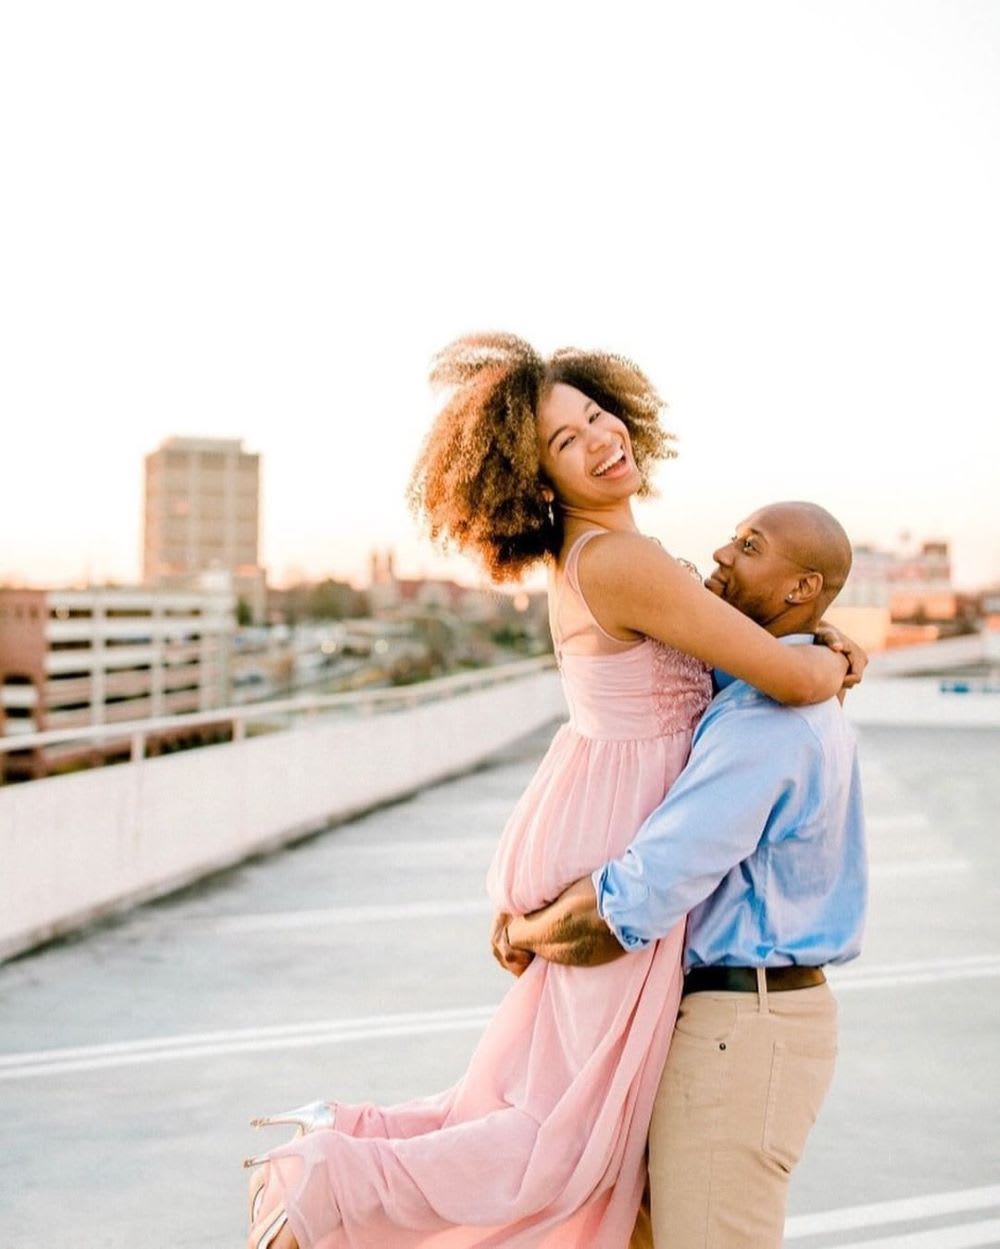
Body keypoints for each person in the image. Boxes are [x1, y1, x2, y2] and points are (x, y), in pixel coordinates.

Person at [244, 334, 863, 1249]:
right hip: (616, 836)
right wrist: (838, 656)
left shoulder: (611, 556)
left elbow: (744, 645)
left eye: (596, 414)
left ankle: (346, 1167)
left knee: (561, 1120)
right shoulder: (619, 562)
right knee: (559, 1137)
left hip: (600, 818)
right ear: (535, 480)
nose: (602, 437)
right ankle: (329, 1186)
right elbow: (780, 671)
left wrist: (822, 634)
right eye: (567, 441)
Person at [496, 499, 867, 1249]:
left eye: (750, 545)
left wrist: (525, 931)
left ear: (801, 587)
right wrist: (832, 652)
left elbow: (632, 901)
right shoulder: (755, 690)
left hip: (742, 1031)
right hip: (723, 1021)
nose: (723, 554)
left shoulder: (766, 724)